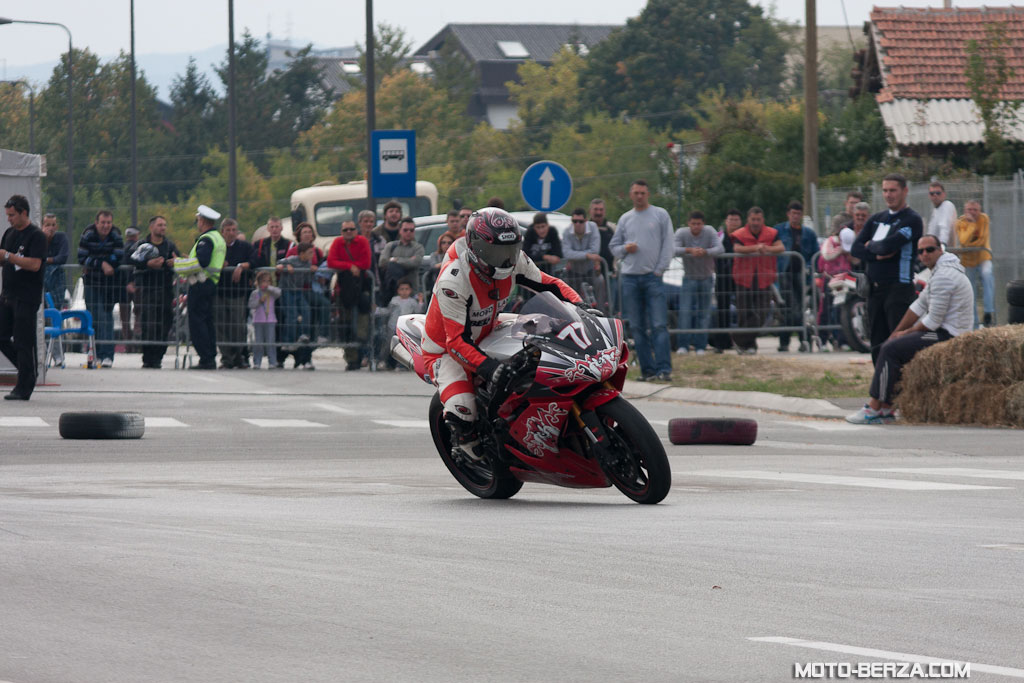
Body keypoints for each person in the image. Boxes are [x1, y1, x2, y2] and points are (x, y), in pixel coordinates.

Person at [422, 208, 581, 461]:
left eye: (509, 250)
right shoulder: (453, 280)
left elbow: (550, 285)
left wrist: (580, 307)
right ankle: (464, 438)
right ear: (475, 247)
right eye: (496, 252)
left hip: (489, 326)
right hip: (445, 349)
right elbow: (455, 343)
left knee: (546, 334)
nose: (505, 260)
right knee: (463, 407)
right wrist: (489, 368)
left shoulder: (514, 258)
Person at [846, 235, 974, 424]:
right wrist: (894, 334)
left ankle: (874, 408)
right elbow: (918, 305)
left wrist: (904, 334)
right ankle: (887, 408)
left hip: (950, 335)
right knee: (891, 344)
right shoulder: (939, 272)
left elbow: (932, 321)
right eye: (920, 251)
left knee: (891, 349)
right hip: (942, 330)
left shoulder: (945, 276)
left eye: (930, 249)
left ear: (940, 250)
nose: (924, 254)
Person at [851, 173, 924, 364]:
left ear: (904, 191)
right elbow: (856, 248)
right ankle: (881, 388)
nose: (888, 195)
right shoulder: (876, 219)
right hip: (875, 290)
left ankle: (900, 388)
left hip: (898, 288)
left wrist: (872, 246)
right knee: (877, 344)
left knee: (898, 342)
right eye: (885, 190)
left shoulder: (912, 219)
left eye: (893, 190)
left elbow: (889, 246)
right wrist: (875, 252)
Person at [609, 179, 675, 380]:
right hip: (630, 277)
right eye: (636, 193)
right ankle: (648, 371)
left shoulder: (660, 214)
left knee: (658, 325)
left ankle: (664, 369)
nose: (639, 196)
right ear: (631, 194)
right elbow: (614, 247)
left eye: (642, 193)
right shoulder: (625, 218)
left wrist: (659, 270)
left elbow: (668, 244)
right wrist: (624, 249)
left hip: (652, 277)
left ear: (648, 194)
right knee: (637, 326)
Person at [1, 195, 46, 400]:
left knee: (23, 340)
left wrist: (9, 256)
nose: (9, 219)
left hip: (26, 296)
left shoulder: (36, 235)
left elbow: (35, 264)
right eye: (7, 215)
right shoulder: (9, 233)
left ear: (23, 213)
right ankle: (26, 369)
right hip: (8, 294)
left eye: (12, 215)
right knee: (2, 336)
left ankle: (24, 386)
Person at [174, 205, 226, 370]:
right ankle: (209, 356)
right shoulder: (218, 237)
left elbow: (201, 262)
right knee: (207, 322)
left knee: (197, 323)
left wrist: (178, 264)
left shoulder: (206, 239)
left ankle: (205, 358)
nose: (197, 223)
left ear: (202, 221)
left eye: (198, 220)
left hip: (201, 284)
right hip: (210, 284)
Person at [730, 207, 784, 355]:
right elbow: (737, 248)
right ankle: (748, 345)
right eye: (753, 219)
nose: (755, 222)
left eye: (758, 219)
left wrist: (767, 249)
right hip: (744, 278)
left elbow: (781, 247)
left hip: (764, 278)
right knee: (744, 313)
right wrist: (755, 248)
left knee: (762, 312)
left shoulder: (771, 233)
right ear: (748, 220)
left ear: (763, 220)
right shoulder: (740, 233)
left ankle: (737, 338)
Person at [129, 215, 180, 369]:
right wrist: (148, 263)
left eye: (164, 225)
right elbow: (130, 258)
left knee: (165, 323)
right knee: (148, 324)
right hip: (147, 290)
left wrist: (174, 262)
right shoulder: (142, 244)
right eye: (159, 225)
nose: (162, 228)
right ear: (151, 227)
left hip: (165, 290)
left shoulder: (169, 245)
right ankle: (148, 358)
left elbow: (178, 259)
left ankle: (158, 357)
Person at [77, 209, 124, 367]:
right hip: (91, 283)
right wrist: (102, 263)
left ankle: (107, 355)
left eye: (108, 223)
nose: (106, 226)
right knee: (94, 318)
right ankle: (94, 354)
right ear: (96, 223)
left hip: (110, 284)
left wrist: (98, 261)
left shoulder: (116, 235)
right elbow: (82, 257)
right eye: (103, 223)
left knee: (107, 318)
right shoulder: (88, 235)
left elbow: (119, 256)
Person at [674, 210, 724, 355]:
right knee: (685, 313)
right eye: (693, 224)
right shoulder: (682, 233)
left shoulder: (709, 231)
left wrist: (705, 252)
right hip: (689, 277)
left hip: (707, 277)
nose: (696, 227)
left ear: (703, 223)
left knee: (704, 314)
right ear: (688, 223)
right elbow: (672, 249)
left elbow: (720, 248)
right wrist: (689, 250)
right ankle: (683, 345)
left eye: (699, 224)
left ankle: (700, 346)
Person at [327, 219, 372, 370]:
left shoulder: (362, 242)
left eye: (351, 229)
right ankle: (351, 359)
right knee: (345, 324)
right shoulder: (337, 243)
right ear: (341, 231)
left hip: (361, 289)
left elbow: (366, 263)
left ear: (356, 230)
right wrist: (349, 266)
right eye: (345, 230)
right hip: (344, 291)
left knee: (362, 324)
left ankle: (363, 353)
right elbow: (331, 262)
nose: (348, 232)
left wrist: (350, 266)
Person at [774, 200, 819, 352]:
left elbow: (816, 254)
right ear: (788, 214)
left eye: (798, 213)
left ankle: (803, 340)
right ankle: (784, 341)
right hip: (784, 273)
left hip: (802, 274)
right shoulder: (779, 230)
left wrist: (811, 270)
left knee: (801, 309)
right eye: (793, 213)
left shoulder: (809, 233)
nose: (795, 216)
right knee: (786, 308)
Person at [249, 215, 293, 367]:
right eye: (272, 227)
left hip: (279, 287)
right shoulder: (260, 244)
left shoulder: (288, 244)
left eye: (277, 227)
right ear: (268, 229)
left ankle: (278, 358)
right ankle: (258, 360)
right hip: (263, 288)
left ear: (281, 228)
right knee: (262, 330)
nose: (274, 230)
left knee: (280, 321)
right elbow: (255, 261)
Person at [285, 222, 329, 345]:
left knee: (324, 305)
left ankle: (322, 335)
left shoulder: (318, 251)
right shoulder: (293, 251)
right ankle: (300, 352)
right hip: (296, 289)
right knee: (305, 316)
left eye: (310, 232)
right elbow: (283, 265)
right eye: (304, 232)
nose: (307, 234)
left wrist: (321, 275)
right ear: (299, 235)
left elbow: (322, 267)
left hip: (312, 289)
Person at [216, 218, 252, 368]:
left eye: (233, 230)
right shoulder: (217, 247)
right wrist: (218, 263)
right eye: (228, 230)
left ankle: (239, 356)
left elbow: (257, 259)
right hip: (219, 292)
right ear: (222, 232)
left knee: (238, 327)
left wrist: (242, 266)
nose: (231, 233)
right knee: (221, 326)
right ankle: (226, 358)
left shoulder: (244, 246)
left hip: (237, 293)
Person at [954, 200, 995, 328]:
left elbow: (982, 239)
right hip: (968, 261)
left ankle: (988, 312)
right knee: (970, 291)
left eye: (975, 210)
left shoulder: (984, 219)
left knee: (987, 275)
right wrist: (971, 224)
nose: (972, 213)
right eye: (969, 210)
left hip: (983, 257)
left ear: (980, 210)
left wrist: (970, 245)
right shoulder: (960, 222)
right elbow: (963, 240)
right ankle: (974, 324)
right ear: (965, 211)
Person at [709, 209, 742, 353]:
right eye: (731, 220)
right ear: (726, 221)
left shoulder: (743, 237)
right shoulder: (719, 237)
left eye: (736, 220)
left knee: (743, 308)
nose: (733, 223)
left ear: (740, 222)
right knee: (722, 310)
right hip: (723, 277)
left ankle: (743, 341)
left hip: (740, 277)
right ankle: (721, 343)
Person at [562, 208, 607, 311]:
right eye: (574, 221)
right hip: (574, 271)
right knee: (569, 292)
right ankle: (572, 313)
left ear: (586, 221)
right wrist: (587, 255)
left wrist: (577, 256)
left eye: (580, 221)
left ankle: (601, 312)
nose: (577, 224)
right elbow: (567, 253)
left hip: (590, 269)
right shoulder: (567, 232)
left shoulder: (593, 227)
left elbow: (595, 249)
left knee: (600, 281)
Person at [379, 216, 425, 301]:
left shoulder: (418, 247)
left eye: (411, 230)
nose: (408, 232)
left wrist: (395, 260)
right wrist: (407, 261)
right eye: (405, 230)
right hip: (391, 292)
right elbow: (382, 262)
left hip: (411, 292)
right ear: (400, 230)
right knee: (392, 266)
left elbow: (415, 262)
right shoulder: (390, 246)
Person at [384, 279, 423, 369]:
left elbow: (418, 312)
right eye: (402, 289)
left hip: (406, 327)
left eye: (406, 289)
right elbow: (388, 311)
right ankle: (387, 362)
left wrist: (420, 302)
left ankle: (402, 364)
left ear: (410, 290)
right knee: (390, 343)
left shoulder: (412, 302)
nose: (404, 291)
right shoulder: (394, 300)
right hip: (393, 326)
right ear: (398, 291)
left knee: (405, 345)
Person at [249, 270, 281, 370]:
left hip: (270, 320)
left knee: (270, 342)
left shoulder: (271, 292)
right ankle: (257, 362)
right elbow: (251, 305)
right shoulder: (255, 293)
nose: (266, 283)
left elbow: (279, 292)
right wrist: (259, 301)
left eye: (268, 281)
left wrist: (269, 287)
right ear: (258, 282)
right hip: (258, 320)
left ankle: (272, 362)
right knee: (258, 342)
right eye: (263, 281)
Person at [41, 213, 69, 309]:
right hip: (42, 277)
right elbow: (36, 256)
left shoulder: (62, 237)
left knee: (55, 308)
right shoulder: (38, 238)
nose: (51, 228)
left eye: (53, 225)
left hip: (57, 279)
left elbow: (63, 257)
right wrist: (44, 239)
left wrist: (46, 260)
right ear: (41, 227)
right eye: (47, 225)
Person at [839, 201, 871, 270]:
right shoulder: (845, 229)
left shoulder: (873, 228)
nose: (860, 217)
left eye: (863, 215)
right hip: (849, 266)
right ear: (853, 215)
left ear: (868, 216)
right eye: (857, 215)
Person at [926, 182, 957, 247]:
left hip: (945, 250)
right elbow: (931, 232)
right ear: (929, 196)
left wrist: (942, 246)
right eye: (932, 194)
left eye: (938, 193)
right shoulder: (936, 210)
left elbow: (944, 227)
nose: (935, 195)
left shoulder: (947, 205)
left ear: (944, 194)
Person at [424, 233, 455, 297]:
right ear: (440, 244)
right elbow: (434, 266)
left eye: (449, 243)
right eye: (443, 242)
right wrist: (447, 263)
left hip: (453, 282)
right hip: (437, 283)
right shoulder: (434, 255)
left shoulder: (456, 255)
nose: (446, 245)